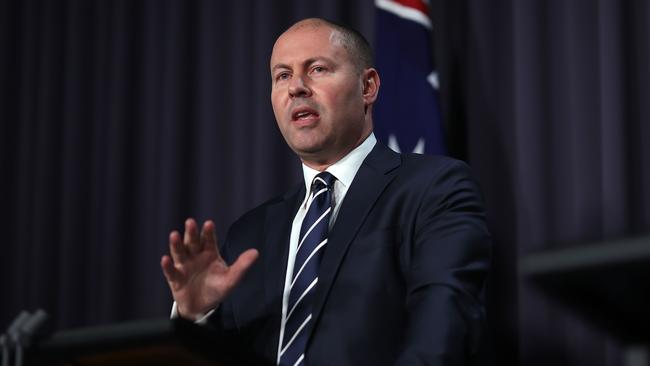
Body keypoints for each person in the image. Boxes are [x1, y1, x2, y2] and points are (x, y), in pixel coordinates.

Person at [161, 18, 490, 366]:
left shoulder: (434, 189)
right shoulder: (248, 236)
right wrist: (194, 316)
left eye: (317, 69)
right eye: (282, 75)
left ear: (368, 87)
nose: (296, 88)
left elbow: (443, 327)